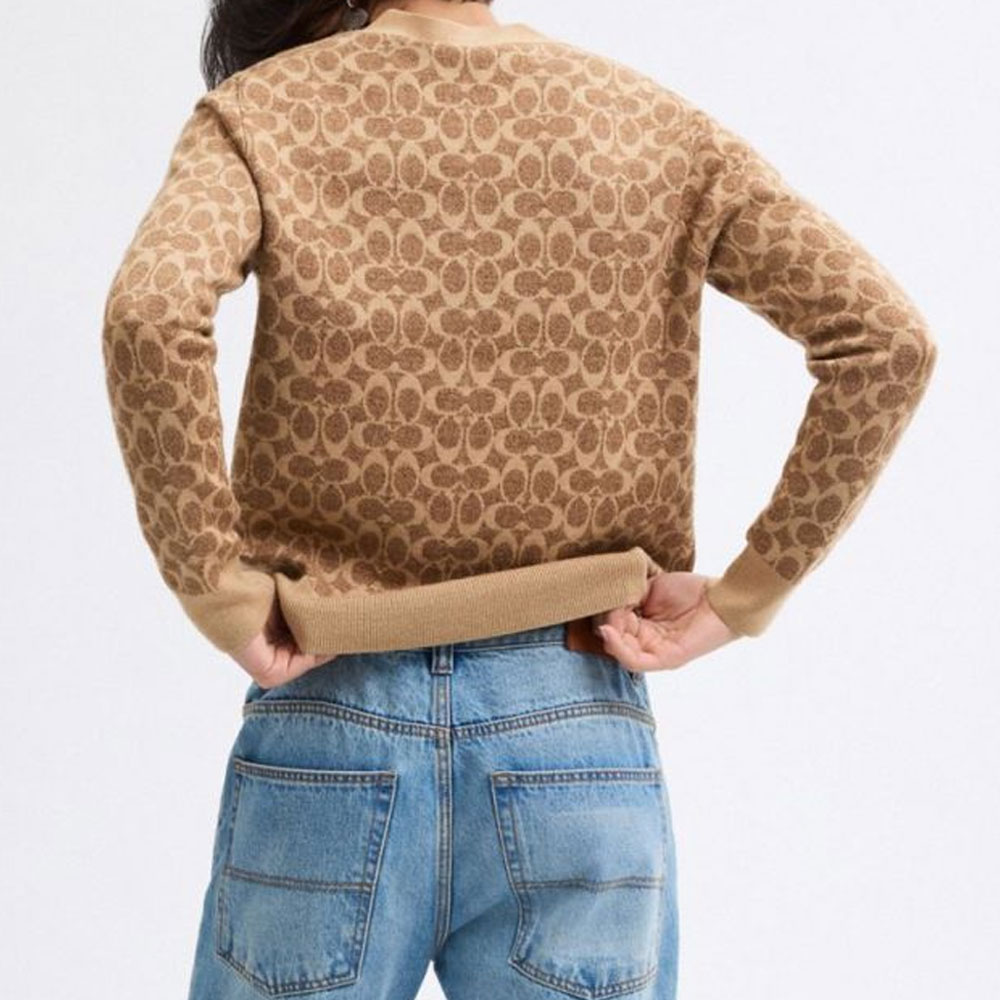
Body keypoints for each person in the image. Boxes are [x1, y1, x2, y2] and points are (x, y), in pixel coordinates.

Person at [100, 1, 938, 996]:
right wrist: (744, 596)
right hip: (575, 721)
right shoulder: (654, 128)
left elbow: (149, 313)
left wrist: (214, 582)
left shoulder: (262, 112)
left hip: (333, 710)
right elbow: (886, 340)